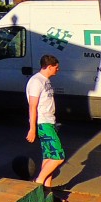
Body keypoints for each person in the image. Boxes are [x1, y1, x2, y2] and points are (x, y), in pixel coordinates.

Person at [26, 54, 65, 190]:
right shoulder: (36, 81)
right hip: (43, 123)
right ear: (49, 67)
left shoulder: (45, 80)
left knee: (48, 157)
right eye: (56, 67)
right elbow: (32, 106)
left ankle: (47, 190)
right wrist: (32, 129)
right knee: (58, 157)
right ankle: (38, 182)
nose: (58, 70)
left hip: (50, 122)